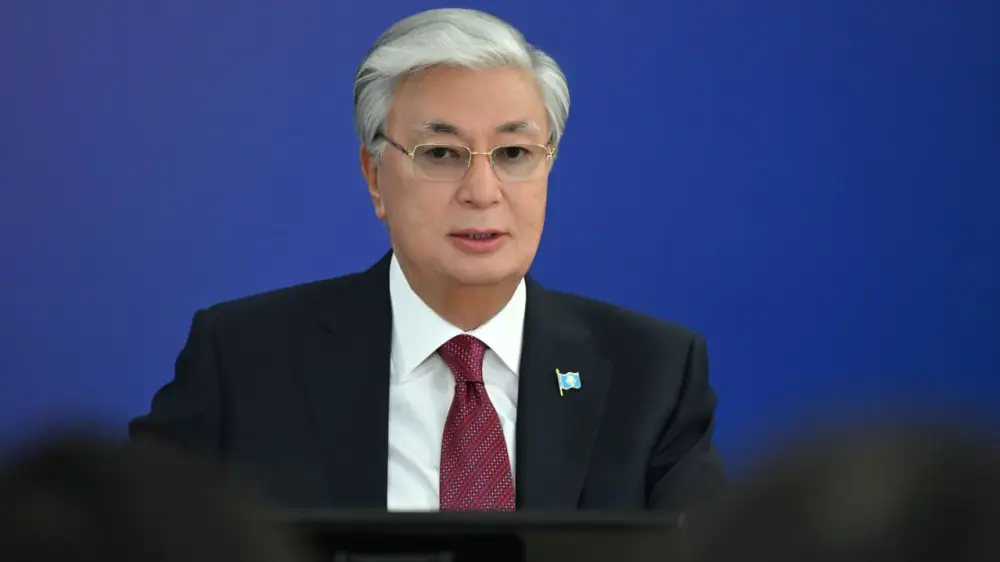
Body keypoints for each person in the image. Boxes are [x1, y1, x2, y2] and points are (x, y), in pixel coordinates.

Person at [129, 7, 725, 512]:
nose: (482, 192)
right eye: (441, 153)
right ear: (375, 177)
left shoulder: (652, 375)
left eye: (514, 153)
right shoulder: (243, 361)